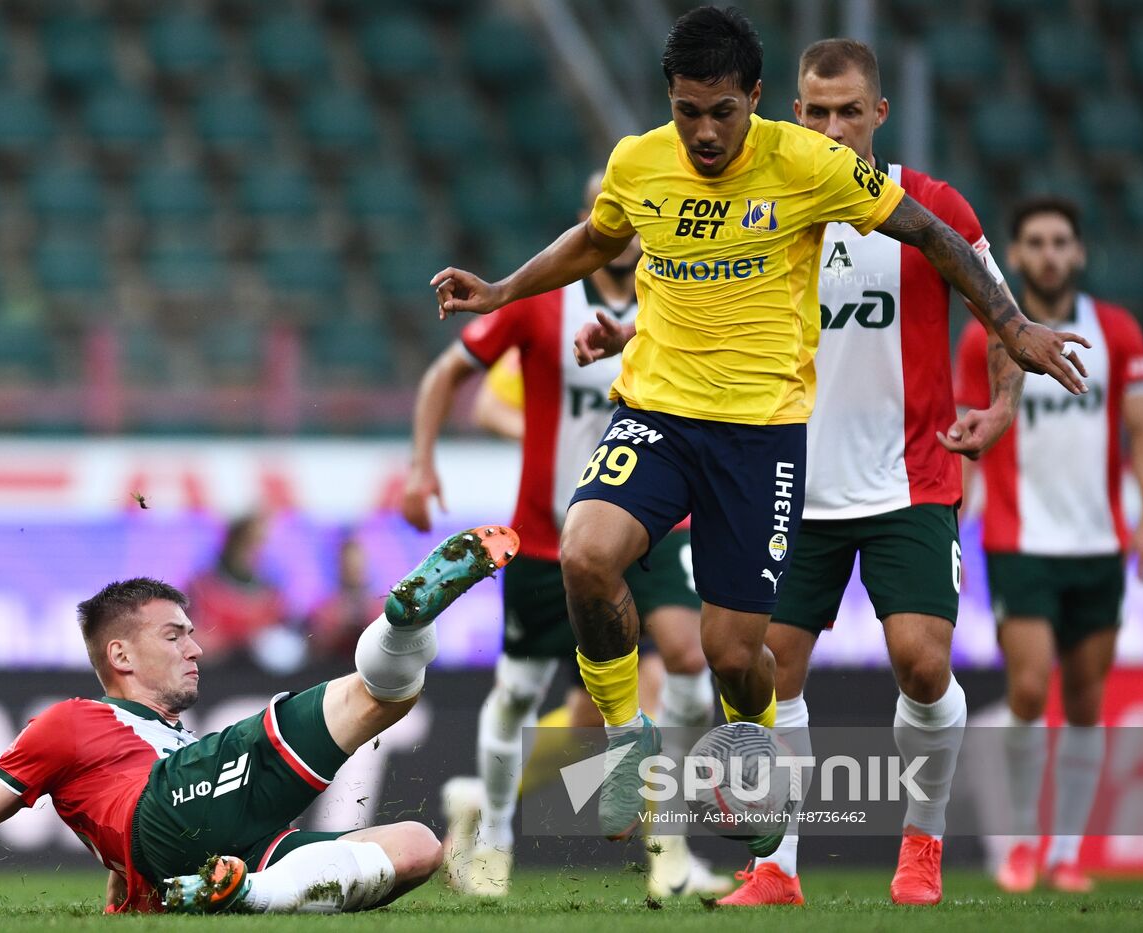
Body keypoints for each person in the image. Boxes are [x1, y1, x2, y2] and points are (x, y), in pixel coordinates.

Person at [432, 5, 1086, 848]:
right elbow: (597, 242)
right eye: (687, 111)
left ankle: (755, 752)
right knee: (588, 553)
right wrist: (500, 290)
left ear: (756, 98)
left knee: (734, 654)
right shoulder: (638, 160)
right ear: (669, 100)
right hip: (658, 412)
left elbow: (933, 233)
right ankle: (627, 736)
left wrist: (1013, 326)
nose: (704, 133)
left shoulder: (811, 165)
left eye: (722, 112)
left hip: (762, 435)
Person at [684, 39, 1025, 908]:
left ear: (878, 113)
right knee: (767, 668)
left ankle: (922, 842)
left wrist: (1002, 404)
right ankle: (778, 867)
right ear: (792, 112)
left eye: (848, 110)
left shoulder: (932, 207)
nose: (832, 126)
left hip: (911, 478)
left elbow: (1002, 313)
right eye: (814, 110)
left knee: (919, 663)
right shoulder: (768, 207)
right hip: (791, 481)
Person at [0, 525, 520, 916]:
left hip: (207, 852)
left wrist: (125, 900)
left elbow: (117, 846)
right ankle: (401, 624)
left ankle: (241, 889)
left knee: (417, 847)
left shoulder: (167, 742)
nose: (195, 647)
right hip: (170, 810)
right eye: (175, 635)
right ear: (120, 652)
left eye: (192, 633)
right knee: (379, 696)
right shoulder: (72, 720)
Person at [402, 172, 726, 897]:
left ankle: (668, 843)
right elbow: (446, 378)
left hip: (655, 526)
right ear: (593, 221)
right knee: (520, 692)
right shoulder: (542, 306)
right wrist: (420, 467)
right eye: (614, 212)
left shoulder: (674, 300)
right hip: (551, 537)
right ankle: (493, 831)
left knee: (684, 658)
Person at [956, 197, 1143, 895]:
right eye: (1036, 243)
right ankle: (1019, 845)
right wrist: (956, 521)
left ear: (1077, 254)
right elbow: (968, 431)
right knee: (1026, 686)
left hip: (1097, 543)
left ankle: (1066, 852)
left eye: (1060, 243)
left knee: (1083, 700)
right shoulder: (985, 333)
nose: (1048, 254)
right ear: (1013, 257)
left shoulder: (1118, 332)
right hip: (1019, 538)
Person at [185, 515, 288, 666]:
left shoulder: (271, 590)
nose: (256, 550)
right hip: (214, 669)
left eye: (260, 543)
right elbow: (193, 633)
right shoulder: (201, 585)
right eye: (250, 541)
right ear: (235, 539)